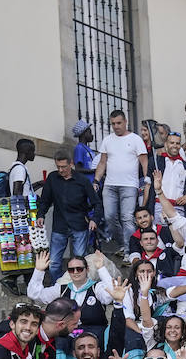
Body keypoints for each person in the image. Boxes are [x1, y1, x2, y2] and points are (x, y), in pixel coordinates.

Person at [36, 149, 103, 278]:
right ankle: (59, 288)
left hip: (79, 225)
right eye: (58, 167)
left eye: (63, 167)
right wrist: (40, 215)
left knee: (79, 263)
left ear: (71, 164)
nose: (60, 170)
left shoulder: (82, 181)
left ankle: (76, 289)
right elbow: (45, 200)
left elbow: (97, 203)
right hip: (59, 226)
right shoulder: (52, 178)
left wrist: (94, 219)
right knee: (54, 263)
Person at [94, 109, 149, 256]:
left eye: (119, 123)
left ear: (125, 122)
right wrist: (96, 180)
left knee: (127, 218)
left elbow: (144, 162)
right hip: (110, 184)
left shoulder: (136, 139)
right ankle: (124, 244)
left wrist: (146, 180)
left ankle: (130, 252)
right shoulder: (107, 140)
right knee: (109, 217)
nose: (116, 126)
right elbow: (102, 162)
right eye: (113, 124)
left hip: (130, 185)